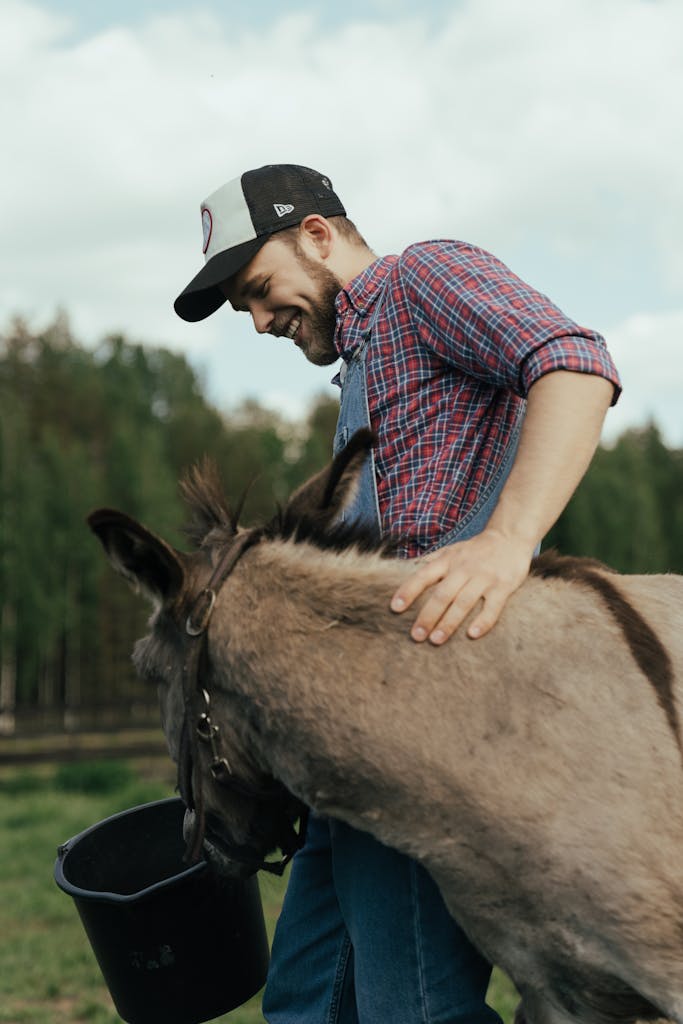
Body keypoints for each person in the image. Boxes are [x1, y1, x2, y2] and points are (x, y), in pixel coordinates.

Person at [174, 164, 621, 1024]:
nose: (261, 320)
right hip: (347, 741)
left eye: (261, 290)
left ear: (315, 236)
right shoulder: (364, 370)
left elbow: (573, 363)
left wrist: (505, 541)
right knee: (305, 1003)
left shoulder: (421, 279)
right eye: (245, 309)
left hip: (424, 722)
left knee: (411, 1009)